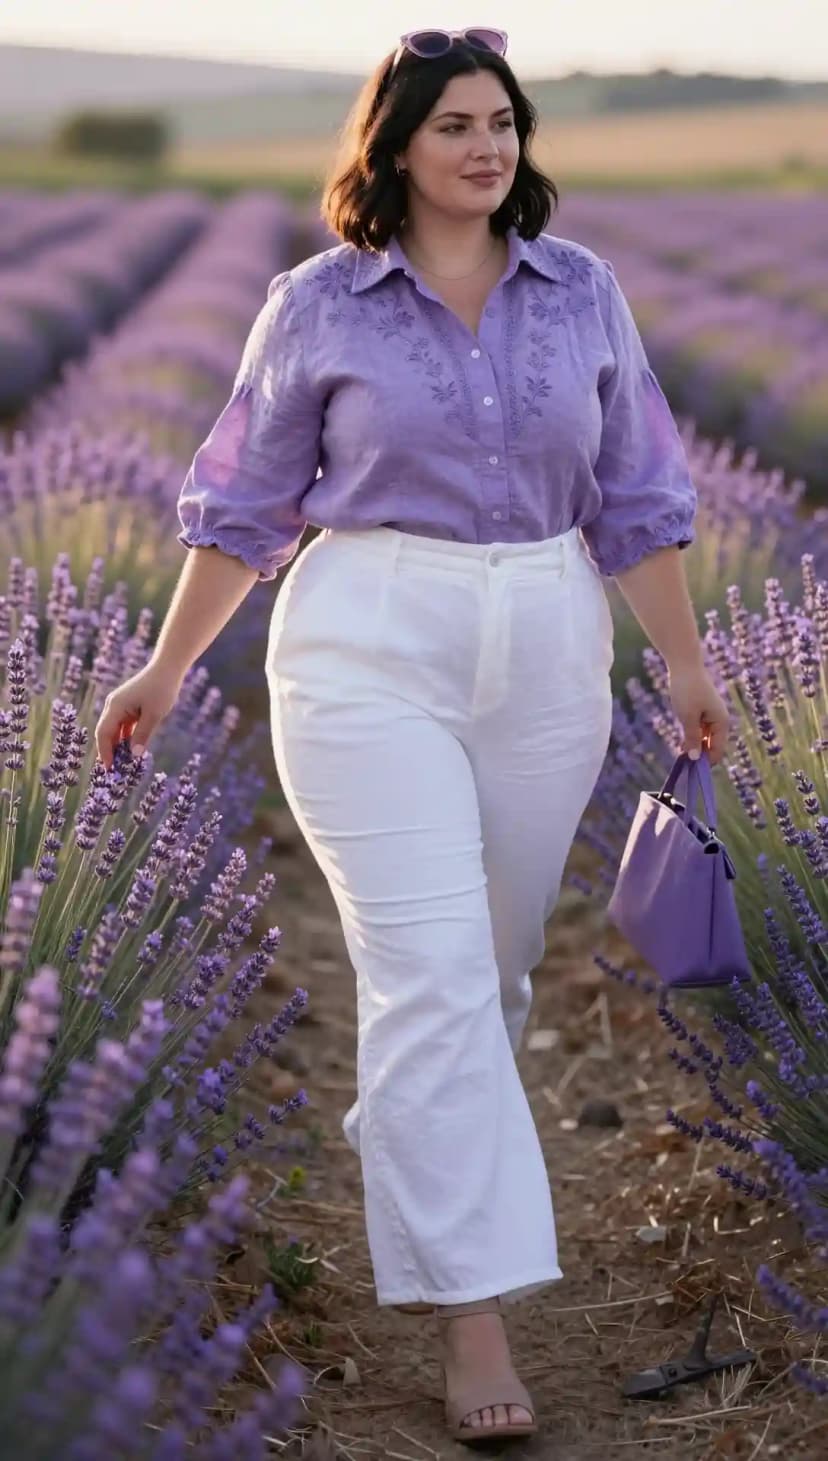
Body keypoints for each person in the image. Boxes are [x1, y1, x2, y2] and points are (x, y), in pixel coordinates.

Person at [95, 25, 730, 1449]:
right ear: (392, 148)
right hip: (368, 640)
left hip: (548, 637)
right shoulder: (317, 304)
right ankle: (475, 1314)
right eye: (453, 124)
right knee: (435, 971)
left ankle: (420, 1140)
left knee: (488, 973)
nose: (486, 147)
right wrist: (162, 664)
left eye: (502, 121)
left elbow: (637, 494)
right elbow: (245, 507)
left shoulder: (584, 295)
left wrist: (685, 662)